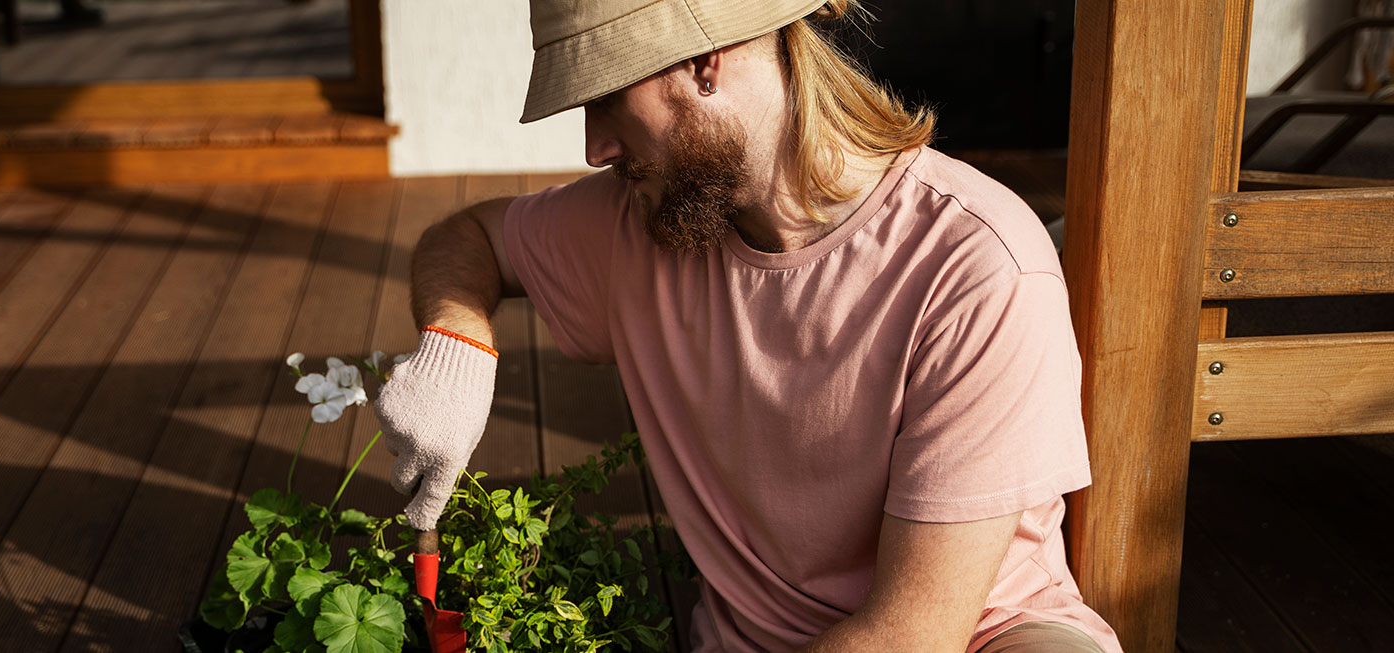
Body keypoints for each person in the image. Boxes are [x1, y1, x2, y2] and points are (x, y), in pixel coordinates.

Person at [373, 1, 1122, 651]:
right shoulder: (636, 226)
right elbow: (465, 238)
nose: (595, 147)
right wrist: (456, 341)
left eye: (604, 98)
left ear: (705, 63)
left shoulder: (973, 266)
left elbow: (911, 636)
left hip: (985, 633)